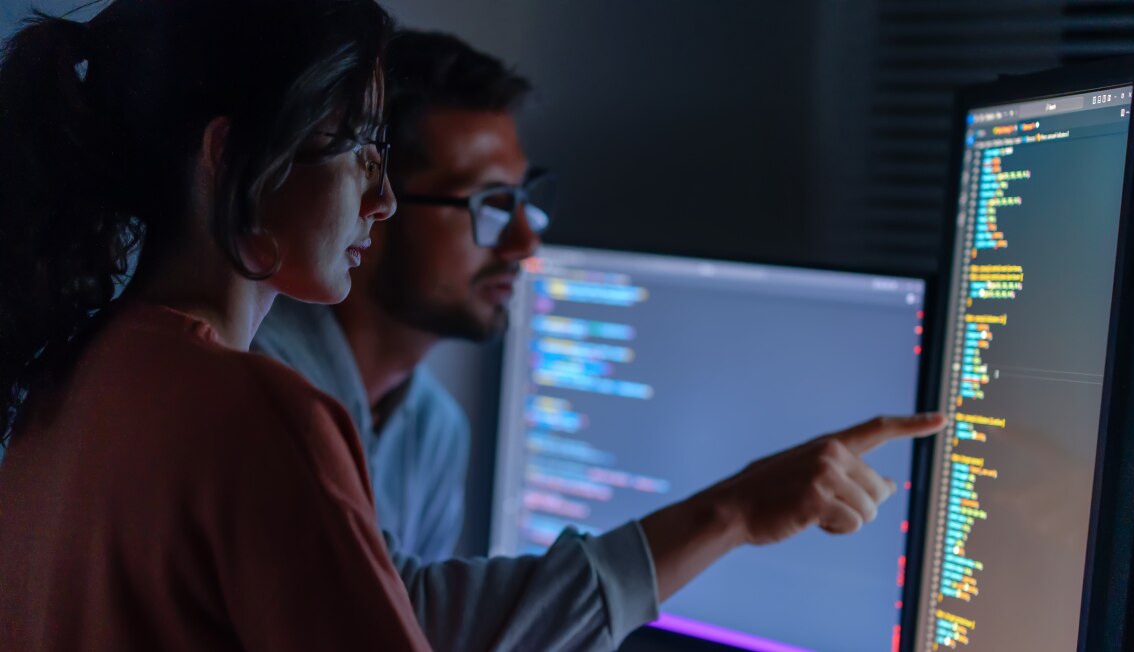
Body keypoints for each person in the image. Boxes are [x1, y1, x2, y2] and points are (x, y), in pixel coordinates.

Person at [253, 30, 946, 651]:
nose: (527, 241)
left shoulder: (433, 433)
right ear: (373, 201)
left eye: (527, 200)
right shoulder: (263, 388)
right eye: (489, 204)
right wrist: (734, 511)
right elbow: (400, 623)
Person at [0, 1, 432, 650]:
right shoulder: (263, 417)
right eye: (362, 149)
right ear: (232, 156)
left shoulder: (54, 393)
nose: (385, 200)